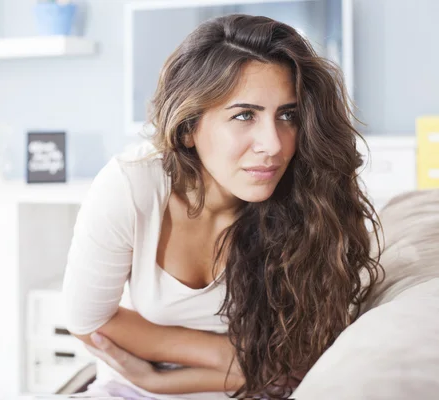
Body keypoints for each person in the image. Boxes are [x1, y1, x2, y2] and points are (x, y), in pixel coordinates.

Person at [62, 13, 383, 400]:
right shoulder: (133, 185)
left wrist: (164, 378)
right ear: (188, 126)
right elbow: (87, 322)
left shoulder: (312, 199)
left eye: (288, 115)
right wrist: (230, 356)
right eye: (245, 115)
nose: (274, 144)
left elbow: (301, 359)